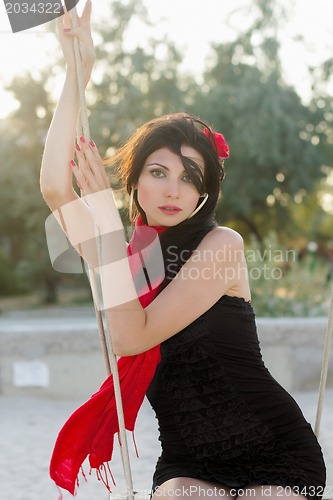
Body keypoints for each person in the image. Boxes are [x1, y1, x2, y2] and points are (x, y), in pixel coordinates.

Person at [40, 2, 326, 499]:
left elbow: (134, 336)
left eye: (189, 178)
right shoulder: (131, 256)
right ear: (134, 181)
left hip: (276, 451)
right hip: (188, 460)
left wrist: (106, 233)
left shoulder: (221, 246)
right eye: (158, 172)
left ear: (203, 193)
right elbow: (53, 188)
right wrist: (75, 73)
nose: (174, 190)